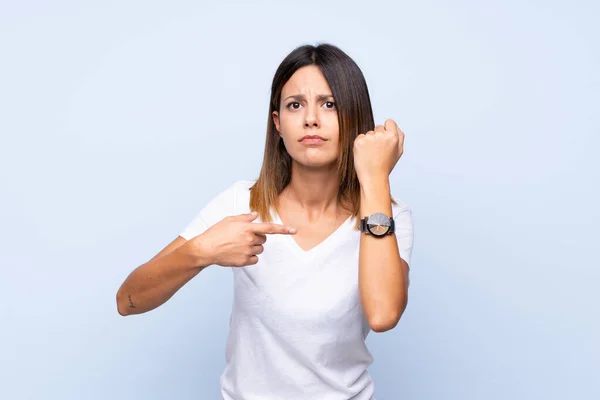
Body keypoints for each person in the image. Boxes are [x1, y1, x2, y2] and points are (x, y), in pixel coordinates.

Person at [116, 43, 414, 400]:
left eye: (329, 103)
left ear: (354, 118)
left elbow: (382, 315)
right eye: (295, 105)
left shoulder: (388, 217)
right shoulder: (240, 202)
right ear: (278, 124)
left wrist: (376, 179)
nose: (311, 119)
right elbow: (128, 299)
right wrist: (201, 251)